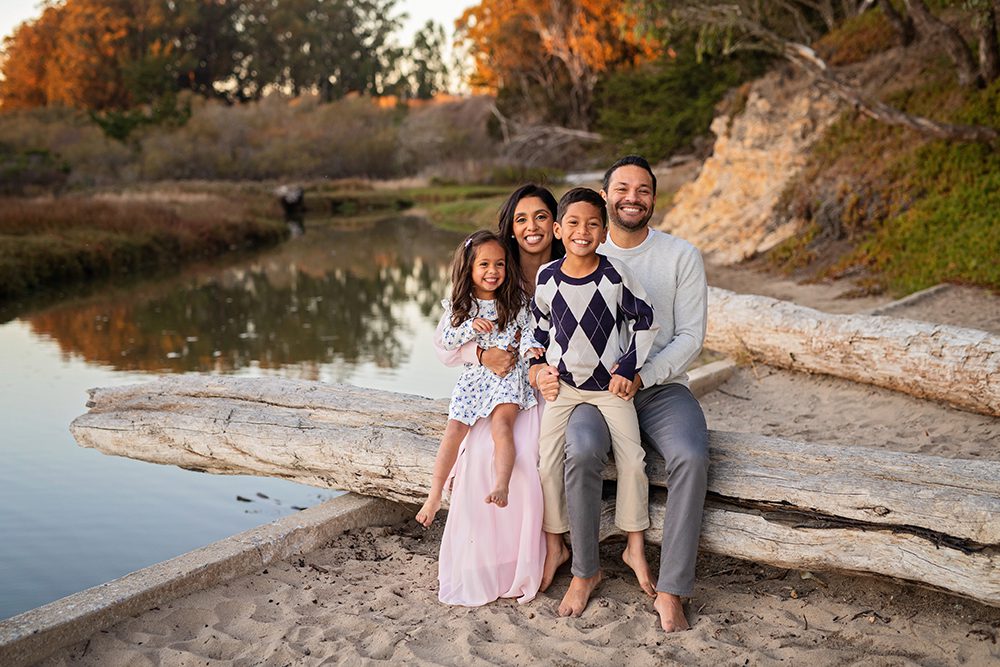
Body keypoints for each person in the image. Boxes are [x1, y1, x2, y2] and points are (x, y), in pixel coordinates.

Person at [533, 156, 709, 632]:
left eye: (644, 190)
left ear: (654, 198)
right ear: (606, 196)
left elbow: (692, 336)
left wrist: (641, 376)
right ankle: (585, 570)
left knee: (692, 456)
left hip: (660, 388)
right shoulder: (579, 246)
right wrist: (538, 370)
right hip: (591, 392)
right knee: (582, 448)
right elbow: (544, 320)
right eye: (622, 189)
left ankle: (671, 588)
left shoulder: (680, 256)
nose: (633, 197)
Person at [428, 185, 564, 606]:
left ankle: (546, 546)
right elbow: (443, 346)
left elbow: (544, 339)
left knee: (521, 445)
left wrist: (537, 364)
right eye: (522, 218)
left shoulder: (569, 268)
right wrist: (482, 352)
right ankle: (480, 550)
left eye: (541, 216)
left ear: (555, 224)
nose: (532, 227)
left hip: (538, 384)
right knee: (473, 446)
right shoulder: (480, 289)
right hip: (488, 384)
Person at [529, 187, 660, 619]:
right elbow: (540, 331)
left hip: (610, 388)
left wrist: (628, 367)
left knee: (633, 461)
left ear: (603, 232)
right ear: (557, 229)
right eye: (573, 223)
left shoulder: (614, 275)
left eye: (591, 223)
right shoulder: (547, 277)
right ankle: (557, 542)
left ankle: (634, 546)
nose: (582, 231)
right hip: (563, 389)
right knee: (547, 462)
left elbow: (646, 320)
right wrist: (540, 368)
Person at [417, 230, 542, 527]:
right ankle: (434, 493)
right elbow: (447, 341)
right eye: (484, 265)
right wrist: (471, 327)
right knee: (453, 430)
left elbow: (527, 332)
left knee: (502, 427)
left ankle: (502, 483)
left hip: (508, 378)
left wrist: (529, 348)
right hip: (474, 380)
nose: (492, 271)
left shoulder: (515, 302)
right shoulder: (461, 307)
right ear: (469, 269)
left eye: (499, 264)